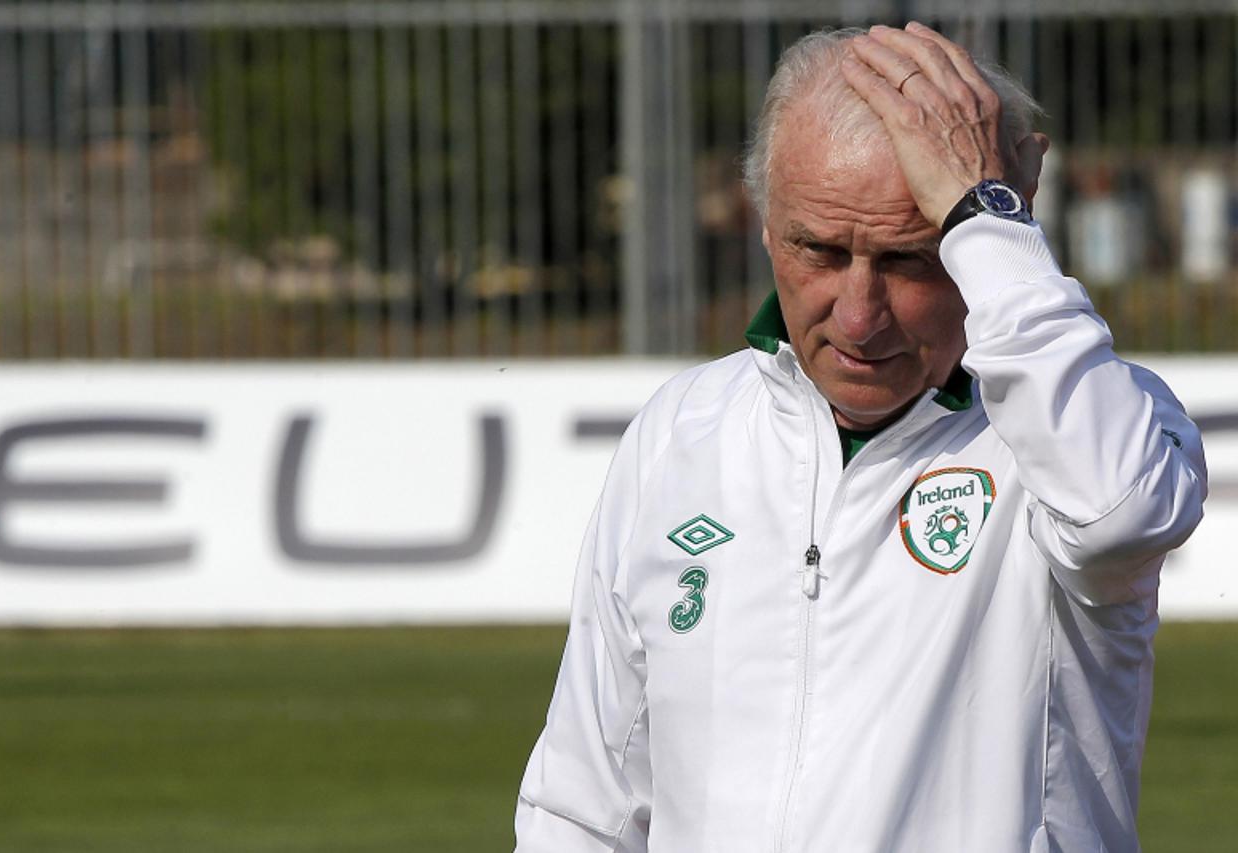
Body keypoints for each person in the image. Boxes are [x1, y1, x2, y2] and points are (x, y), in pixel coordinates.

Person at [515, 22, 1206, 852]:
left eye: (911, 258)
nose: (857, 312)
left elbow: (1119, 515)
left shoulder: (1086, 429)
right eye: (819, 248)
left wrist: (987, 217)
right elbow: (585, 803)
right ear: (765, 225)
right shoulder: (683, 429)